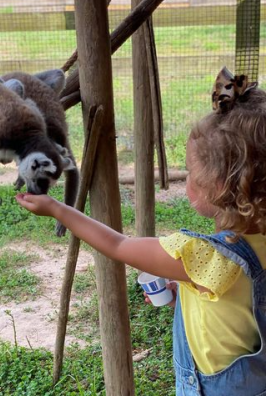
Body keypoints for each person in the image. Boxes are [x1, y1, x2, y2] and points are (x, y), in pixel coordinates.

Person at [15, 67, 266, 396]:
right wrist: (185, 291)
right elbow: (240, 304)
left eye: (191, 172)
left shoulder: (201, 258)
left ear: (219, 188)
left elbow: (118, 245)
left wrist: (58, 209)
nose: (187, 179)